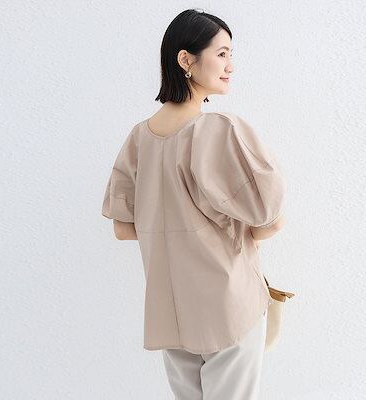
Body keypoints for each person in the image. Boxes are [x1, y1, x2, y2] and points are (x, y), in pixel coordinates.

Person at [101, 8, 286, 400]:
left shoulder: (139, 139)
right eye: (221, 54)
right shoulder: (216, 130)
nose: (230, 66)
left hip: (171, 314)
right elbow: (270, 220)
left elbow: (123, 228)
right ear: (185, 59)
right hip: (227, 308)